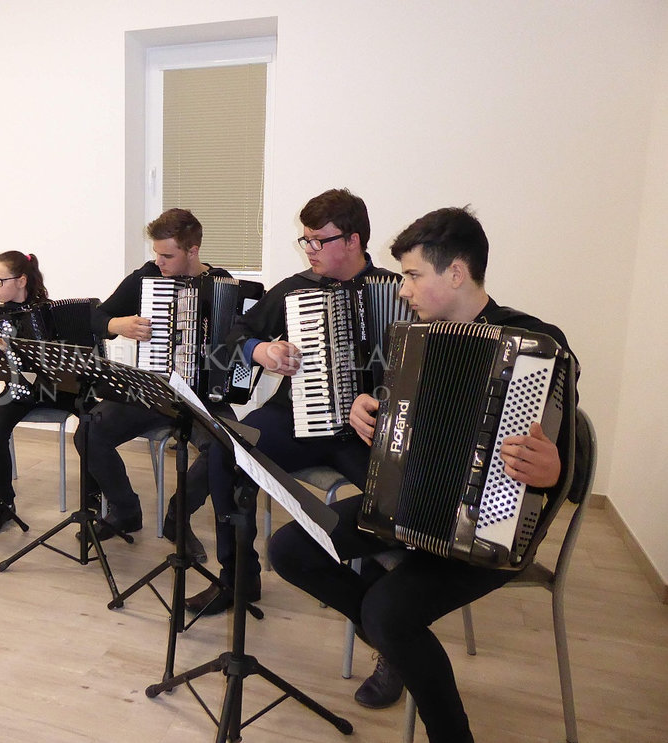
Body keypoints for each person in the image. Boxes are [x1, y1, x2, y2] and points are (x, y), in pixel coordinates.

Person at [268, 206, 577, 743]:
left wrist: (552, 470)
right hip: (406, 501)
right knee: (290, 548)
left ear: (456, 272)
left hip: (492, 525)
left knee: (388, 612)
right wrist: (366, 409)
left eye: (412, 275)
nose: (403, 289)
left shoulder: (535, 343)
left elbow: (569, 457)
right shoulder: (413, 339)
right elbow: (398, 415)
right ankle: (395, 645)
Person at [191, 188, 397, 617]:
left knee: (398, 501)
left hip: (367, 433)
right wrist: (261, 350)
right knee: (227, 452)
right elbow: (231, 339)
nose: (309, 250)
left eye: (320, 240)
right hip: (294, 417)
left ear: (353, 240)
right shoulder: (295, 289)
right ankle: (238, 578)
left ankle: (383, 612)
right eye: (306, 240)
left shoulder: (400, 293)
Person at [72, 208, 234, 559]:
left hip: (203, 395)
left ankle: (178, 515)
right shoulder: (147, 278)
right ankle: (126, 511)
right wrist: (118, 325)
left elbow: (238, 341)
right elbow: (96, 317)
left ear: (193, 250)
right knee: (88, 431)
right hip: (154, 388)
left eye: (167, 255)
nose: (158, 261)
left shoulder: (222, 283)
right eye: (156, 253)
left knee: (225, 446)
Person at [0, 250, 83, 535]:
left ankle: (94, 493)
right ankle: (4, 503)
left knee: (93, 418)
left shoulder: (50, 312)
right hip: (19, 390)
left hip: (58, 389)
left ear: (21, 281)